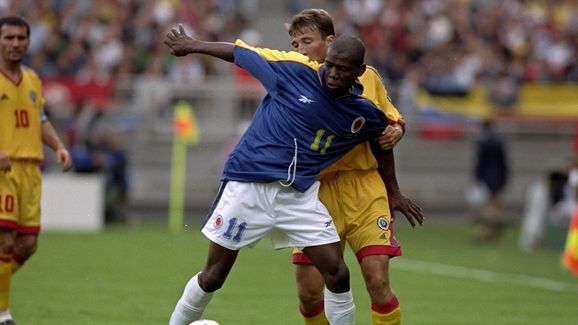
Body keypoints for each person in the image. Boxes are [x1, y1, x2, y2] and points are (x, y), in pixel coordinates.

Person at [164, 24, 397, 325]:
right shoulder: (293, 72)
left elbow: (382, 140)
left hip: (297, 197)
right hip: (249, 185)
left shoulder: (361, 112)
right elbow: (240, 54)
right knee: (213, 276)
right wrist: (192, 44)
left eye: (343, 69)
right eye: (331, 66)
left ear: (359, 71)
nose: (334, 74)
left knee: (338, 275)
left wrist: (393, 190)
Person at [286, 9, 424, 325]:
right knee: (308, 294)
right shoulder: (293, 79)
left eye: (307, 41)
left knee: (378, 281)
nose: (301, 49)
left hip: (365, 187)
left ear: (329, 41)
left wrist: (397, 130)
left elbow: (390, 119)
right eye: (295, 44)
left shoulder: (367, 77)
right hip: (315, 194)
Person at [0, 16, 72, 325]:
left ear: (29, 42)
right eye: (8, 38)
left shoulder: (32, 79)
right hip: (3, 170)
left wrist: (58, 146)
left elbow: (39, 119)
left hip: (31, 169)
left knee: (27, 245)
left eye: (20, 38)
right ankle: (3, 314)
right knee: (4, 242)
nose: (15, 43)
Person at [473, 118, 509, 241]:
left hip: (486, 178)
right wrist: (504, 178)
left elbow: (480, 162)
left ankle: (485, 232)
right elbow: (504, 162)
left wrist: (477, 177)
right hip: (498, 178)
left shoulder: (483, 142)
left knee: (488, 206)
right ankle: (492, 232)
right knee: (495, 205)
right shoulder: (499, 141)